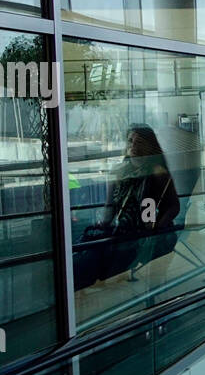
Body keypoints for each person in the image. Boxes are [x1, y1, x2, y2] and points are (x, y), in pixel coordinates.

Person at [73, 123, 181, 290]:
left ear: (149, 146)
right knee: (85, 252)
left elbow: (172, 206)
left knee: (92, 259)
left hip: (137, 236)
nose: (133, 146)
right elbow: (109, 209)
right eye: (130, 141)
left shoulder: (156, 172)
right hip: (118, 231)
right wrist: (103, 224)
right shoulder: (119, 171)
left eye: (139, 142)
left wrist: (156, 228)